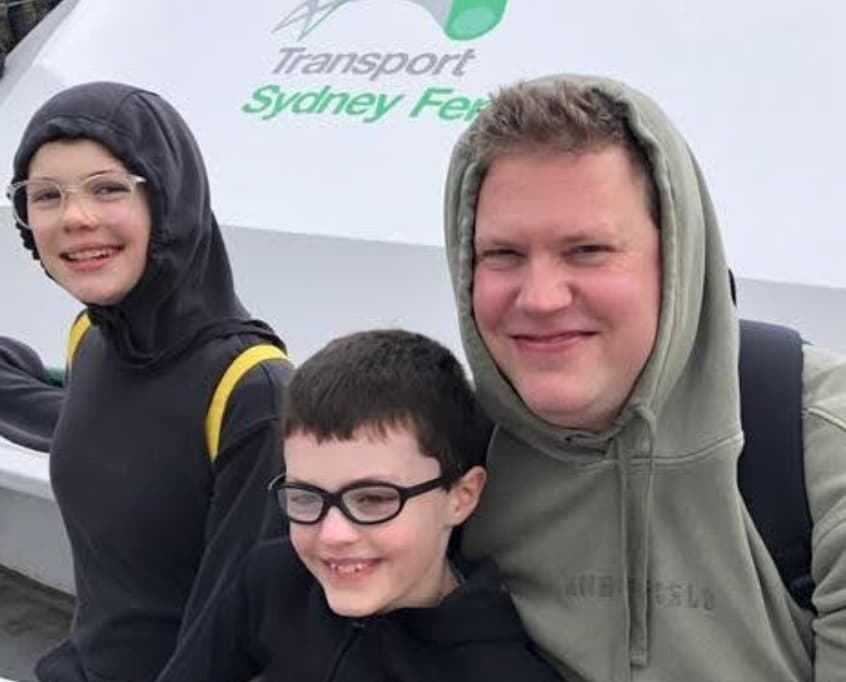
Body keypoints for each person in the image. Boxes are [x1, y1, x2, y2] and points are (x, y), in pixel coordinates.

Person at [442, 74, 846, 681]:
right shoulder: (439, 462)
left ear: (678, 258)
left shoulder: (821, 447)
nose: (542, 298)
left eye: (588, 250)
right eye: (503, 255)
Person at [5, 81, 293, 681]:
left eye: (108, 188)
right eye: (46, 195)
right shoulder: (91, 337)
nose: (76, 218)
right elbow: (113, 435)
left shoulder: (252, 392)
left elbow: (231, 642)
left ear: (170, 199)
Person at [155, 329, 562, 682]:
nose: (333, 535)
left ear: (461, 496)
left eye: (373, 499)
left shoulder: (501, 670)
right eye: (306, 496)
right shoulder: (271, 581)